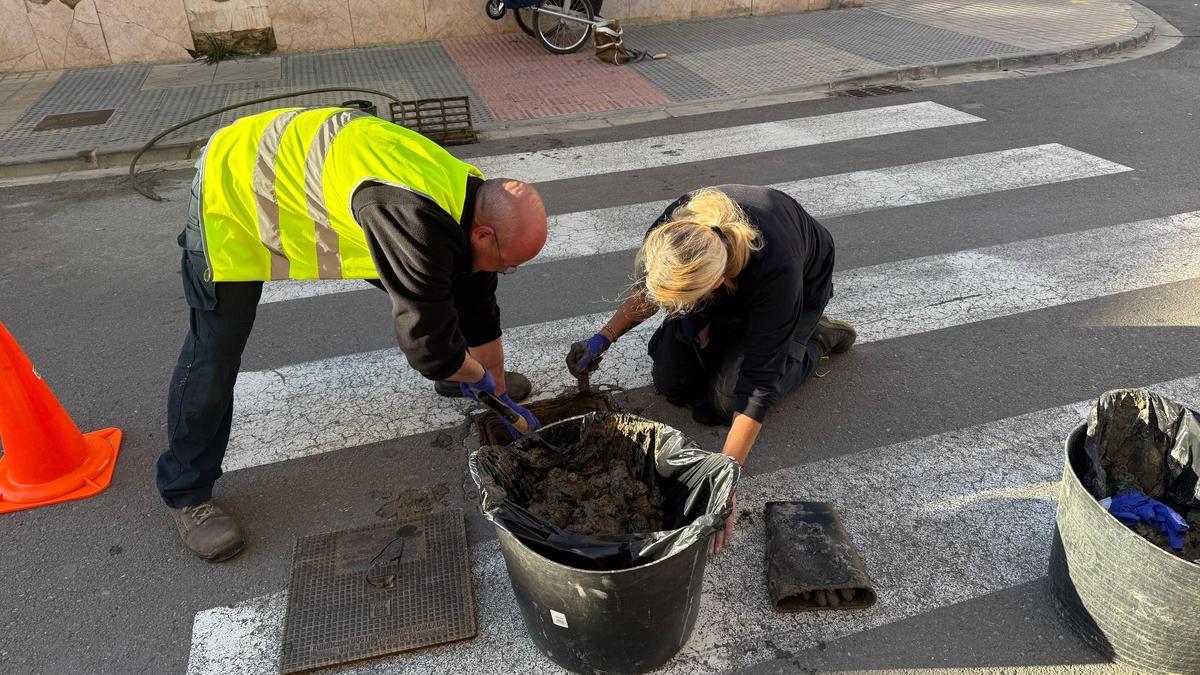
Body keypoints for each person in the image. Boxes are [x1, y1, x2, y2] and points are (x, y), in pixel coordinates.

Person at [159, 106, 546, 562]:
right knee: (214, 350)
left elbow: (478, 303)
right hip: (236, 191)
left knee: (457, 286)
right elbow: (427, 347)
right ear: (483, 234)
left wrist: (496, 391)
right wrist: (467, 369)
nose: (508, 271)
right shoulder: (415, 219)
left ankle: (462, 381)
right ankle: (188, 491)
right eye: (507, 262)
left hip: (321, 186)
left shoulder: (470, 197)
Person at [566, 185, 856, 555]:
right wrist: (604, 338)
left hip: (798, 289)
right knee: (673, 380)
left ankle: (814, 339)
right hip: (724, 287)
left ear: (715, 285)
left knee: (724, 401)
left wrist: (724, 481)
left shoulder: (777, 271)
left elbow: (758, 390)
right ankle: (729, 336)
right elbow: (648, 293)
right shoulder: (672, 232)